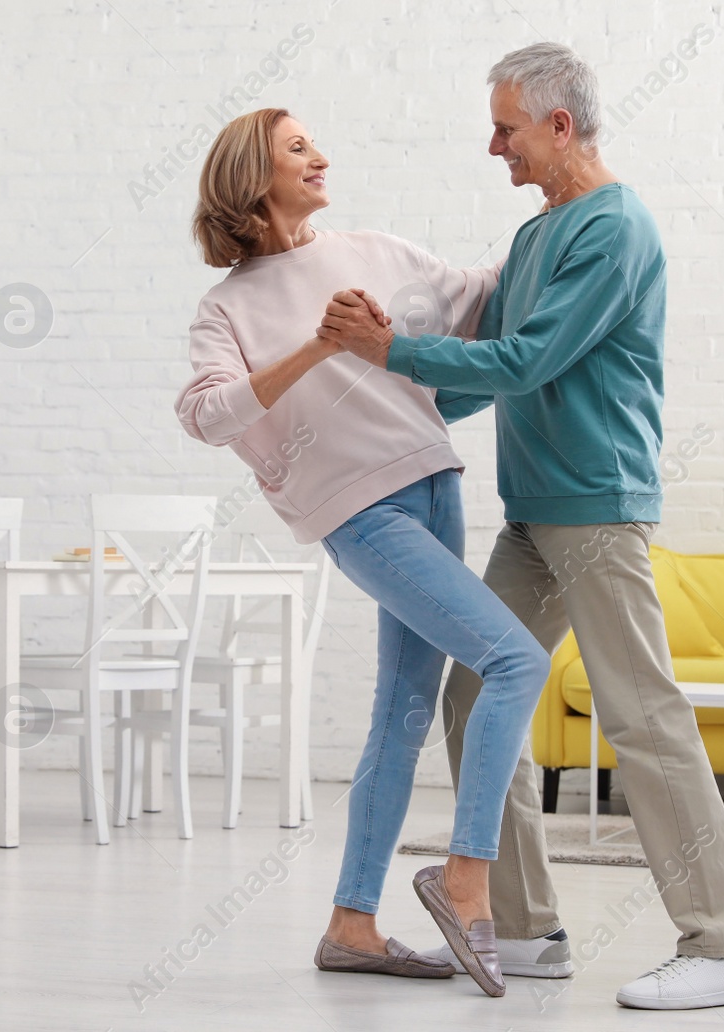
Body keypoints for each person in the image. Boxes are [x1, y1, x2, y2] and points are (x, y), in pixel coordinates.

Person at [315, 43, 724, 1011]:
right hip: (535, 515)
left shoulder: (615, 229)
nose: (494, 147)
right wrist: (386, 397)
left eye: (507, 128)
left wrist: (392, 347)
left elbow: (525, 359)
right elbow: (487, 372)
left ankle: (722, 944)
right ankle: (525, 930)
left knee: (642, 716)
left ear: (559, 126)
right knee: (474, 695)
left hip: (598, 509)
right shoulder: (533, 238)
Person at [175, 107, 548, 998]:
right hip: (360, 512)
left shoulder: (374, 249)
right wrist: (318, 345)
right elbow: (204, 414)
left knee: (404, 708)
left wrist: (560, 217)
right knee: (512, 659)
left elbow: (479, 293)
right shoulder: (227, 306)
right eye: (298, 146)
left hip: (435, 484)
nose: (321, 155)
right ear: (250, 175)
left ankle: (352, 923)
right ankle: (466, 881)